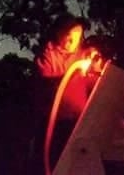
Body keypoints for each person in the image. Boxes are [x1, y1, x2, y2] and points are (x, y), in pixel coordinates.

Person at [30, 15, 101, 174]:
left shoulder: (83, 55)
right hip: (54, 123)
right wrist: (70, 75)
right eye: (69, 38)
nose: (73, 43)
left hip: (78, 122)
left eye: (77, 38)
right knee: (52, 163)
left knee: (77, 164)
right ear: (59, 35)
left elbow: (93, 80)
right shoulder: (48, 56)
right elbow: (44, 85)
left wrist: (97, 67)